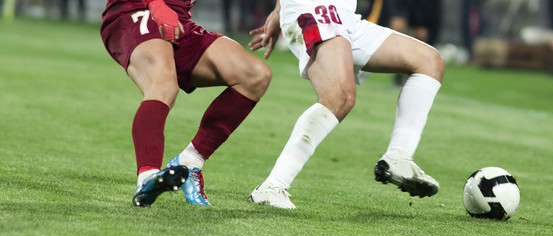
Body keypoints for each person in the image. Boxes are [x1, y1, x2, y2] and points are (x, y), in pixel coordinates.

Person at [247, 0, 445, 209]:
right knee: (339, 96)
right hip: (315, 9)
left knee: (429, 62)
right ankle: (272, 186)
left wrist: (279, 10)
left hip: (345, 15)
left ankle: (399, 157)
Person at [100, 0, 271, 207]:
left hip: (178, 20)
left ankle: (191, 162)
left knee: (255, 75)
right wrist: (155, 4)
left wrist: (281, 12)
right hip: (136, 10)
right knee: (163, 84)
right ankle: (147, 178)